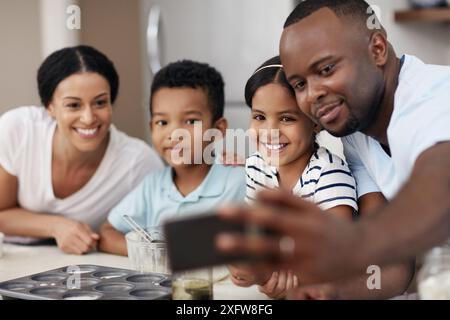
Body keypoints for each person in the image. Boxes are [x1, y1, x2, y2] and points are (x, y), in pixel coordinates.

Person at [216, 0, 448, 295]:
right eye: (300, 84)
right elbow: (394, 267)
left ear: (377, 50)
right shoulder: (356, 132)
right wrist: (327, 290)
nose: (313, 95)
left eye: (326, 69)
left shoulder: (434, 96)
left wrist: (348, 242)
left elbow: (439, 185)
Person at [0, 45, 163, 255]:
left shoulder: (138, 162)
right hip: (11, 255)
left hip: (79, 262)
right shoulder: (18, 129)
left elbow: (162, 231)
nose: (88, 118)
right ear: (50, 107)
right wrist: (56, 226)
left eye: (100, 103)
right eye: (73, 105)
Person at [228, 56, 359, 299]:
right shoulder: (256, 167)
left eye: (287, 118)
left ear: (316, 122)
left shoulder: (329, 175)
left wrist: (272, 274)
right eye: (259, 117)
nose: (270, 132)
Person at [98, 60, 246, 256]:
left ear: (218, 130)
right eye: (162, 122)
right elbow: (107, 233)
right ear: (151, 128)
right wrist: (157, 253)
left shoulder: (239, 182)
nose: (174, 133)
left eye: (191, 121)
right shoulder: (152, 186)